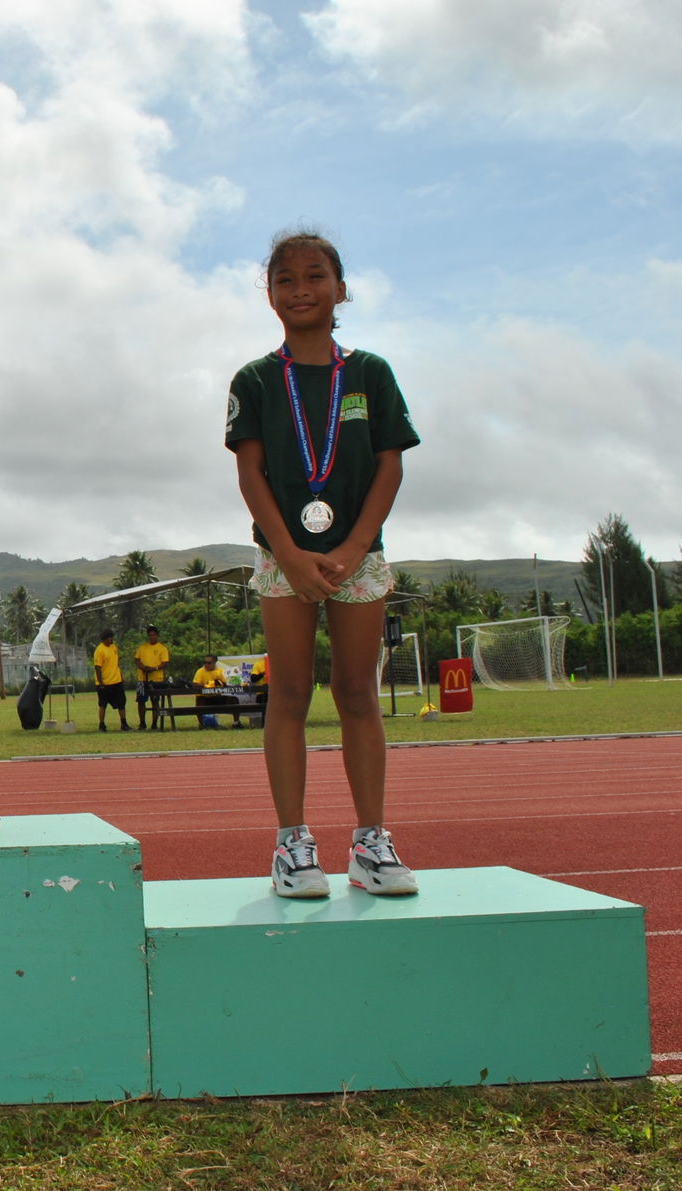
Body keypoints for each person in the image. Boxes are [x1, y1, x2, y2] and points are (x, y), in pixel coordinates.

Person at [225, 228, 420, 898]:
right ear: (270, 293)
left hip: (356, 557)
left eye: (315, 276)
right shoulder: (254, 380)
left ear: (341, 289)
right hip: (285, 557)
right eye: (285, 279)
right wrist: (289, 553)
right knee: (289, 694)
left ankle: (370, 841)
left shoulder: (370, 374)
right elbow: (251, 474)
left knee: (359, 693)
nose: (300, 289)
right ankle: (292, 844)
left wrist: (350, 549)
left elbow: (390, 466)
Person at [92, 628, 131, 732]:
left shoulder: (114, 647)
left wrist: (121, 676)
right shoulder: (99, 650)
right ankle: (101, 724)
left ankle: (124, 723)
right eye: (110, 638)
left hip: (117, 681)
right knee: (103, 704)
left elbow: (117, 663)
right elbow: (97, 667)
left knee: (122, 703)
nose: (112, 639)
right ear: (105, 639)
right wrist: (101, 683)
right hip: (105, 683)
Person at [133, 625, 171, 729]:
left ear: (157, 636)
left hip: (156, 680)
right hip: (142, 679)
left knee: (155, 701)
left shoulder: (162, 648)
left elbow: (165, 663)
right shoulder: (142, 647)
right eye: (150, 635)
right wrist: (142, 667)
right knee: (141, 702)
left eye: (154, 635)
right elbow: (137, 659)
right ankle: (142, 723)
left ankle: (154, 723)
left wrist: (154, 668)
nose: (152, 637)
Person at [191, 653, 230, 729]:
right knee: (199, 701)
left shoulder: (220, 671)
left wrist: (220, 682)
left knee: (234, 700)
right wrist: (206, 685)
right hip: (205, 697)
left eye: (209, 663)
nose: (206, 664)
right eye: (204, 662)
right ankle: (201, 725)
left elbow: (225, 683)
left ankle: (236, 723)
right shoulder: (200, 671)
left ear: (214, 663)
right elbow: (195, 684)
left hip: (217, 696)